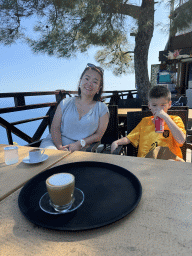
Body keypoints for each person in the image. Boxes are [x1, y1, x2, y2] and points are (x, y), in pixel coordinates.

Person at [40, 63, 109, 152]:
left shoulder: (102, 108)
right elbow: (55, 127)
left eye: (95, 82)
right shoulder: (65, 102)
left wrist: (79, 144)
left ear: (98, 89)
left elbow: (99, 135)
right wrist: (60, 147)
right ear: (80, 81)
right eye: (87, 78)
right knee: (51, 158)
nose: (89, 83)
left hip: (82, 148)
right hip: (54, 144)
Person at [111, 85, 186, 160]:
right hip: (146, 163)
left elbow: (181, 140)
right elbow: (130, 138)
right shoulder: (145, 122)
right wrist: (117, 142)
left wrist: (166, 117)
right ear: (149, 105)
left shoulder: (175, 120)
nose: (158, 109)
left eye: (163, 105)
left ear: (169, 104)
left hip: (168, 164)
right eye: (154, 105)